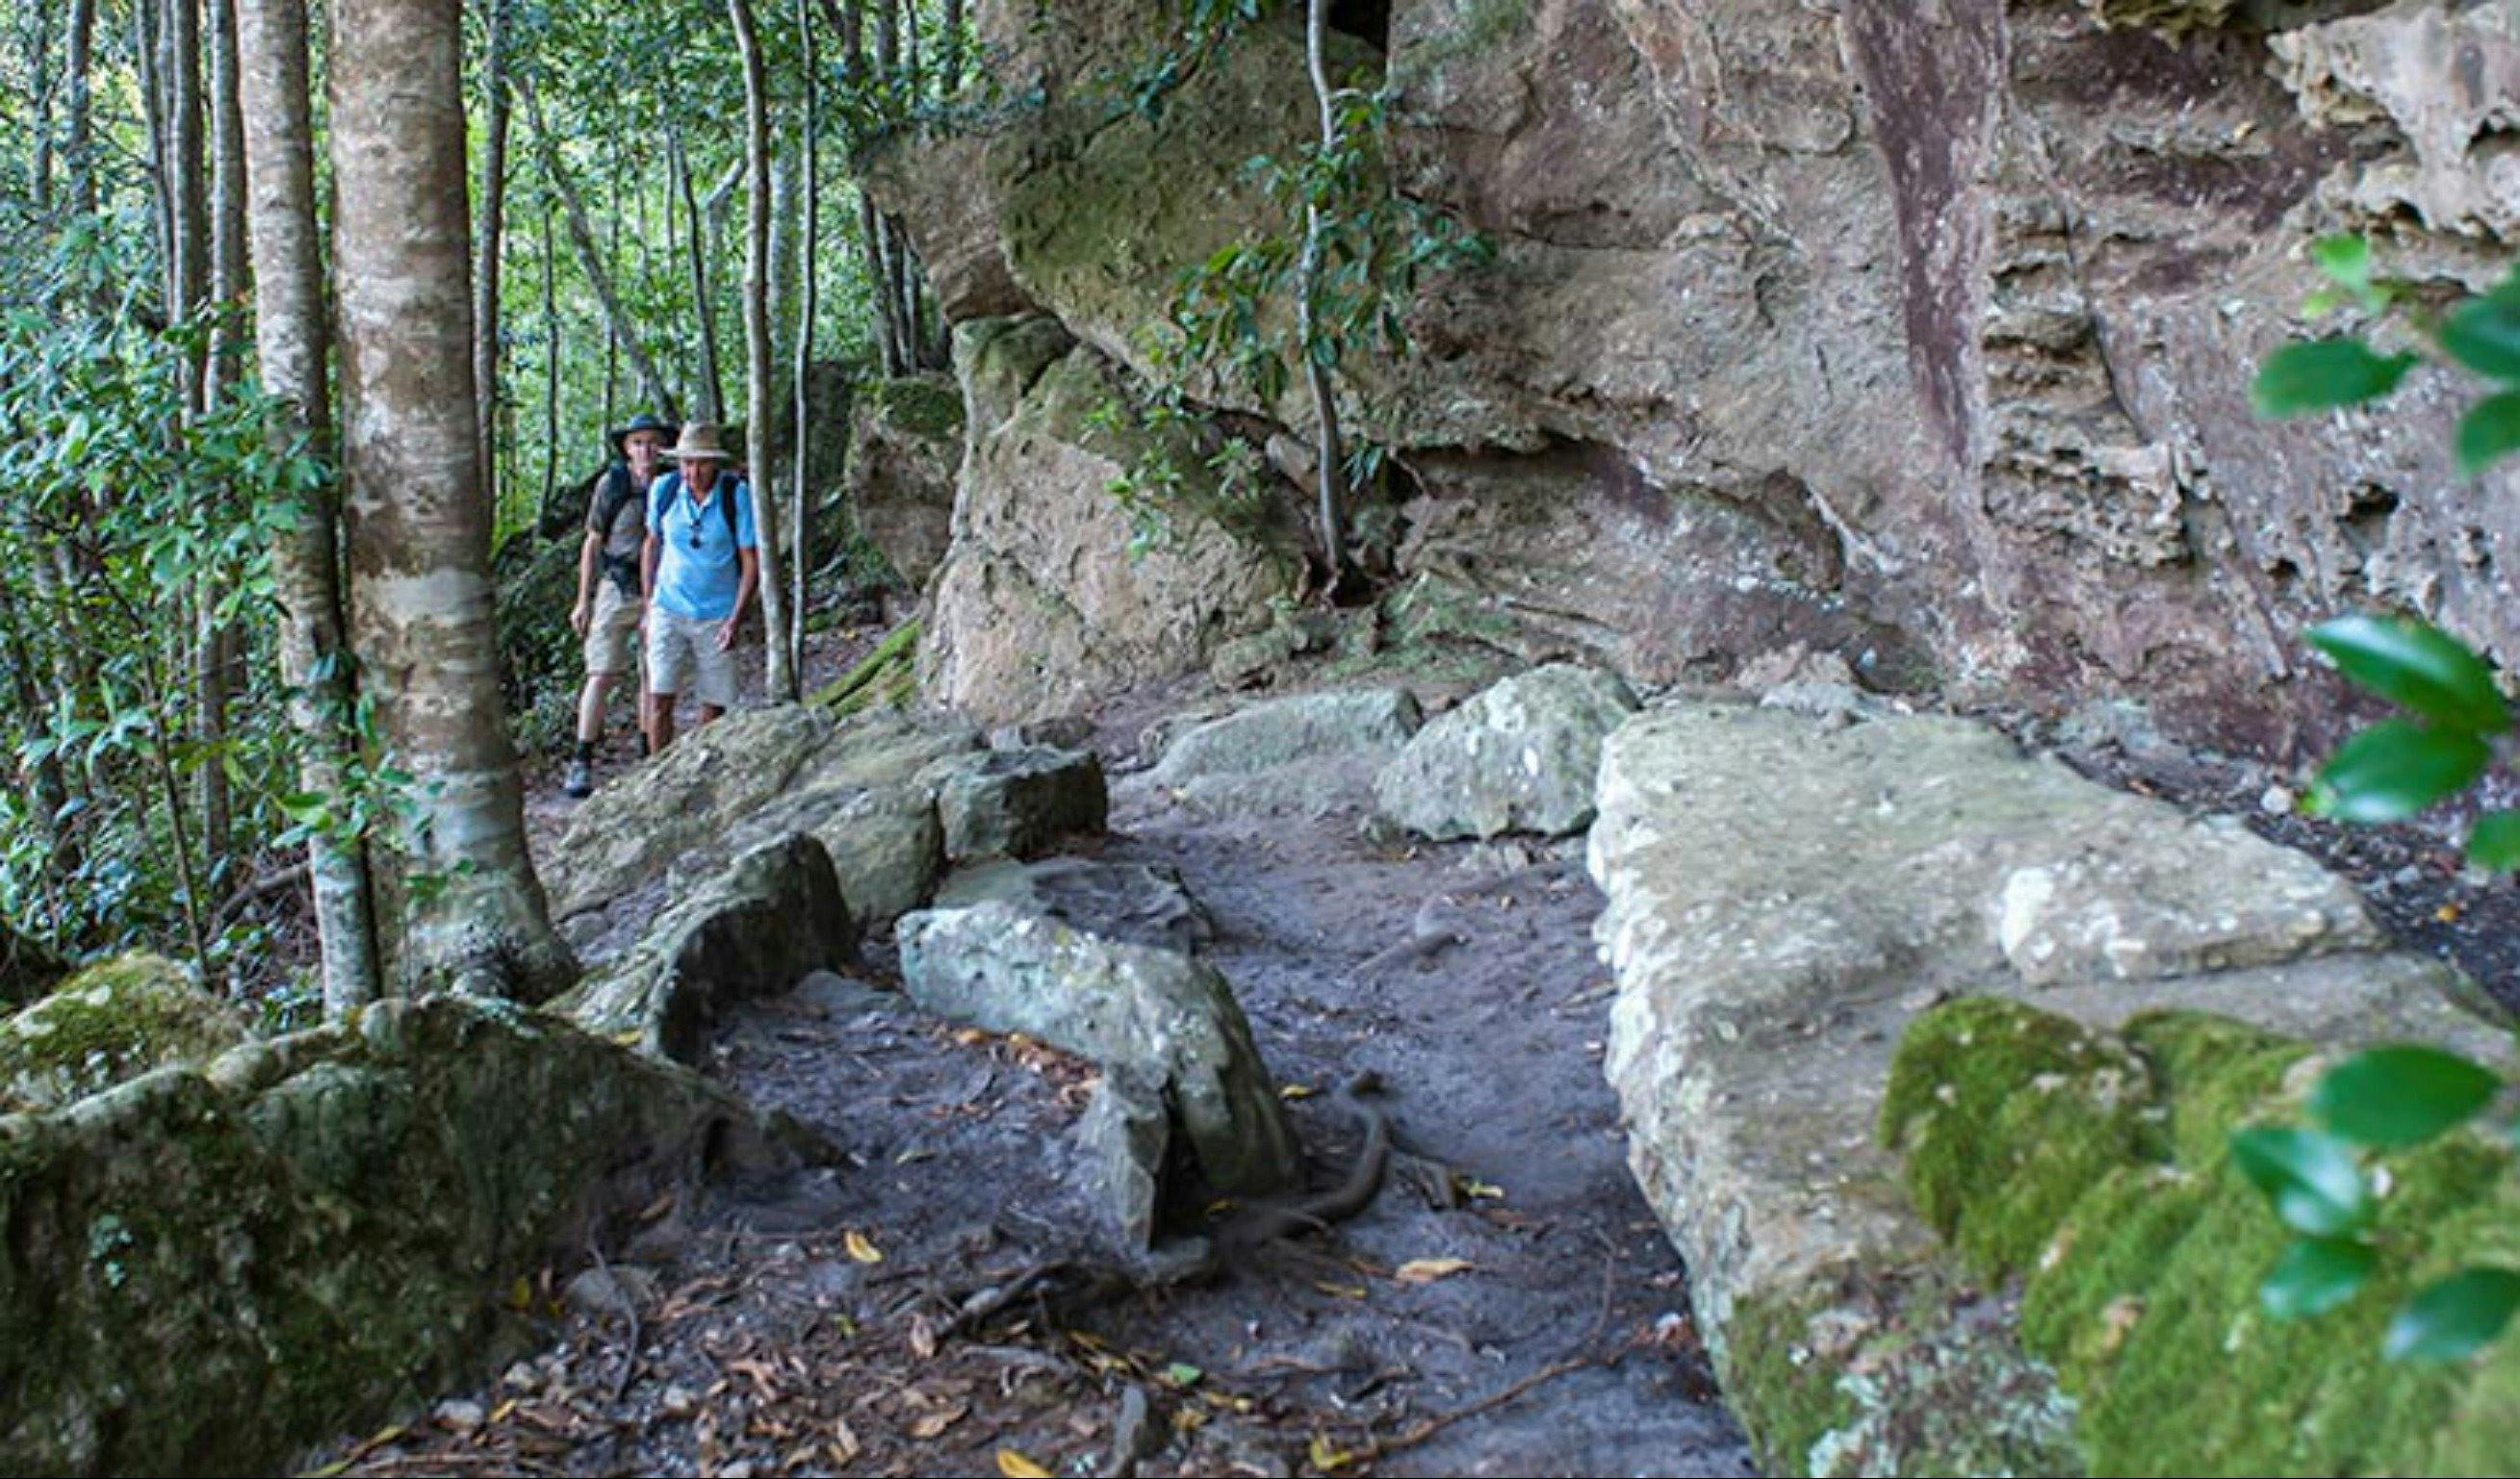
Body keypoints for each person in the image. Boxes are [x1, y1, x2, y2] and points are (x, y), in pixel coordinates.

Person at [563, 413, 674, 799]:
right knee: (601, 673)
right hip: (616, 586)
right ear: (627, 448)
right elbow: (593, 542)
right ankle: (581, 758)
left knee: (653, 674)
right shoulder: (612, 485)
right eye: (638, 442)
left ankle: (648, 755)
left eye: (653, 442)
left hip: (659, 591)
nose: (647, 449)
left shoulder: (672, 485)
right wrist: (584, 599)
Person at [642, 421, 759, 755]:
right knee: (659, 696)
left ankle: (698, 769)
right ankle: (656, 771)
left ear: (715, 463)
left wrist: (736, 618)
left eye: (701, 462)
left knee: (713, 704)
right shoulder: (663, 490)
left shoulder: (735, 496)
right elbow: (651, 544)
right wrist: (649, 604)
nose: (693, 471)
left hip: (717, 614)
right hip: (668, 606)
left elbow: (750, 560)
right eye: (686, 462)